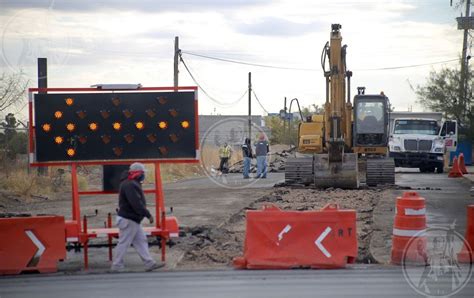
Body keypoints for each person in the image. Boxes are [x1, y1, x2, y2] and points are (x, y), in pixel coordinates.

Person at [111, 162, 164, 272]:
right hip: (129, 219)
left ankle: (149, 263)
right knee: (124, 243)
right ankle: (116, 266)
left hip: (131, 219)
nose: (144, 175)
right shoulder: (130, 185)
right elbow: (136, 203)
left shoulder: (129, 183)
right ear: (138, 173)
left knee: (141, 241)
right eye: (143, 173)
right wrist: (147, 214)